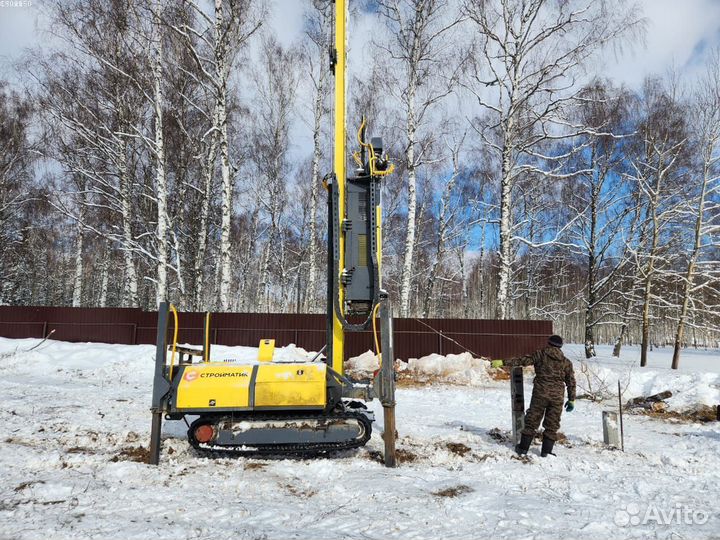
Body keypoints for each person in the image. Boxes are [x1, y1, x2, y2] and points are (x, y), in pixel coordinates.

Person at [491, 335, 576, 457]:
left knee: (532, 420)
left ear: (549, 343)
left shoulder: (540, 354)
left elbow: (522, 361)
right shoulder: (566, 362)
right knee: (552, 424)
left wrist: (502, 362)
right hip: (557, 397)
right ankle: (546, 451)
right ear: (560, 346)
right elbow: (571, 382)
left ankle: (523, 449)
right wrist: (572, 399)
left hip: (540, 394)